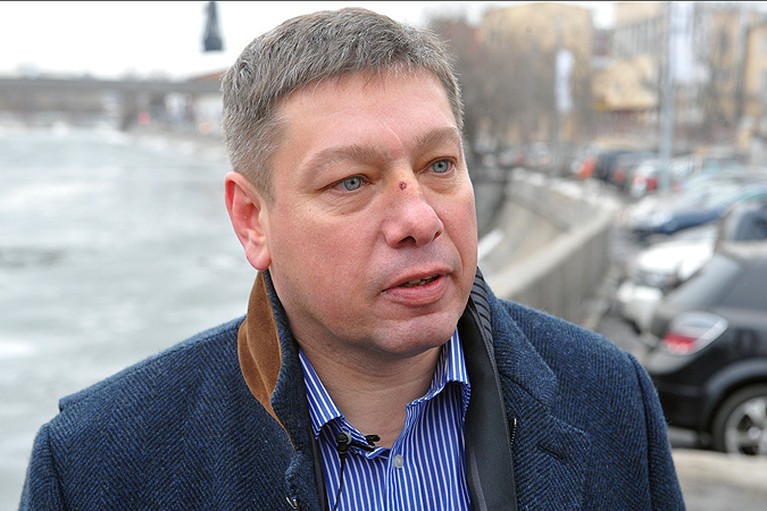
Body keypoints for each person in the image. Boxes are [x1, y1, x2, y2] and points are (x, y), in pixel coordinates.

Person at [19, 7, 685, 510]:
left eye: (439, 165)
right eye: (352, 182)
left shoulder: (611, 396)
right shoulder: (95, 468)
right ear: (252, 219)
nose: (420, 218)